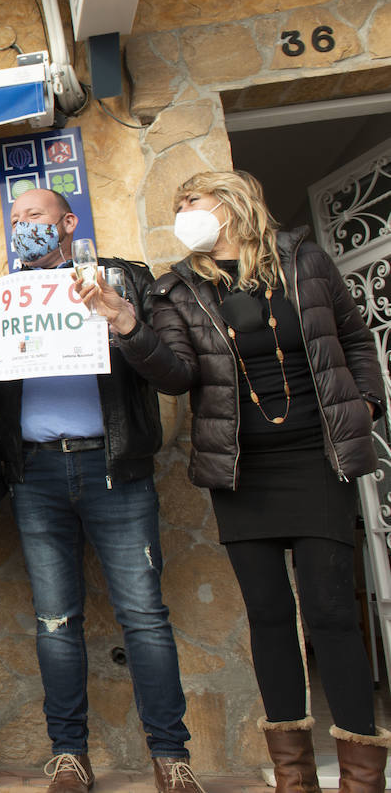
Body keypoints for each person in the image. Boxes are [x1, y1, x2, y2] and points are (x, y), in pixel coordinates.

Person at [83, 170, 391, 793]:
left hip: (316, 456)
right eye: (178, 204)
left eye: (189, 200)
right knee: (270, 615)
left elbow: (356, 337)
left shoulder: (306, 261)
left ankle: (362, 777)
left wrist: (366, 403)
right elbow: (174, 375)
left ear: (232, 202)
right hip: (241, 469)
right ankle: (293, 777)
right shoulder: (178, 289)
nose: (182, 212)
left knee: (331, 612)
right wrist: (125, 325)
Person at [0, 188, 204, 793]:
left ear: (68, 224)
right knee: (55, 621)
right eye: (15, 221)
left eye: (35, 218)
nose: (23, 229)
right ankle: (69, 754)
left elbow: (173, 375)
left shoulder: (120, 279)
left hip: (114, 470)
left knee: (144, 617)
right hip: (38, 476)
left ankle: (171, 757)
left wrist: (122, 318)